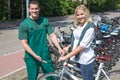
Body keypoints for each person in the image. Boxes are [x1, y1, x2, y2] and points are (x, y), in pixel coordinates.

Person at [18, 0, 64, 80]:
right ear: (29, 9)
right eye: (32, 9)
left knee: (52, 76)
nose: (34, 11)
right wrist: (35, 55)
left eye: (36, 8)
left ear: (39, 9)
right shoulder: (24, 24)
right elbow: (24, 44)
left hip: (44, 54)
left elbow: (52, 35)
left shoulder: (44, 21)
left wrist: (59, 48)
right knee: (32, 78)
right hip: (31, 57)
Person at [58, 4, 96, 80]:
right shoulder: (79, 26)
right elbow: (76, 40)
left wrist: (66, 56)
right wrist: (68, 47)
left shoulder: (90, 28)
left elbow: (81, 46)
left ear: (86, 14)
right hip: (78, 58)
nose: (80, 16)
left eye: (82, 14)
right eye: (78, 15)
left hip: (86, 60)